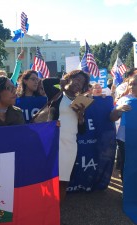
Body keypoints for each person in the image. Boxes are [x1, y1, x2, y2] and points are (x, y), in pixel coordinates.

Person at [42, 70, 89, 200]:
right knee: (49, 177)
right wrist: (60, 81)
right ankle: (46, 206)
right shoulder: (57, 94)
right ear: (69, 78)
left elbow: (82, 130)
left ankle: (57, 209)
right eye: (78, 79)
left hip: (70, 145)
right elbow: (45, 82)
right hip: (53, 141)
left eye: (82, 83)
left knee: (63, 180)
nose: (79, 84)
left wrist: (80, 116)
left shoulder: (81, 102)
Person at [110, 74, 137, 180]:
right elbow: (112, 118)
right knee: (126, 165)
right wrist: (118, 109)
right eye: (130, 84)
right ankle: (127, 191)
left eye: (135, 84)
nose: (131, 87)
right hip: (124, 138)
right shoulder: (123, 100)